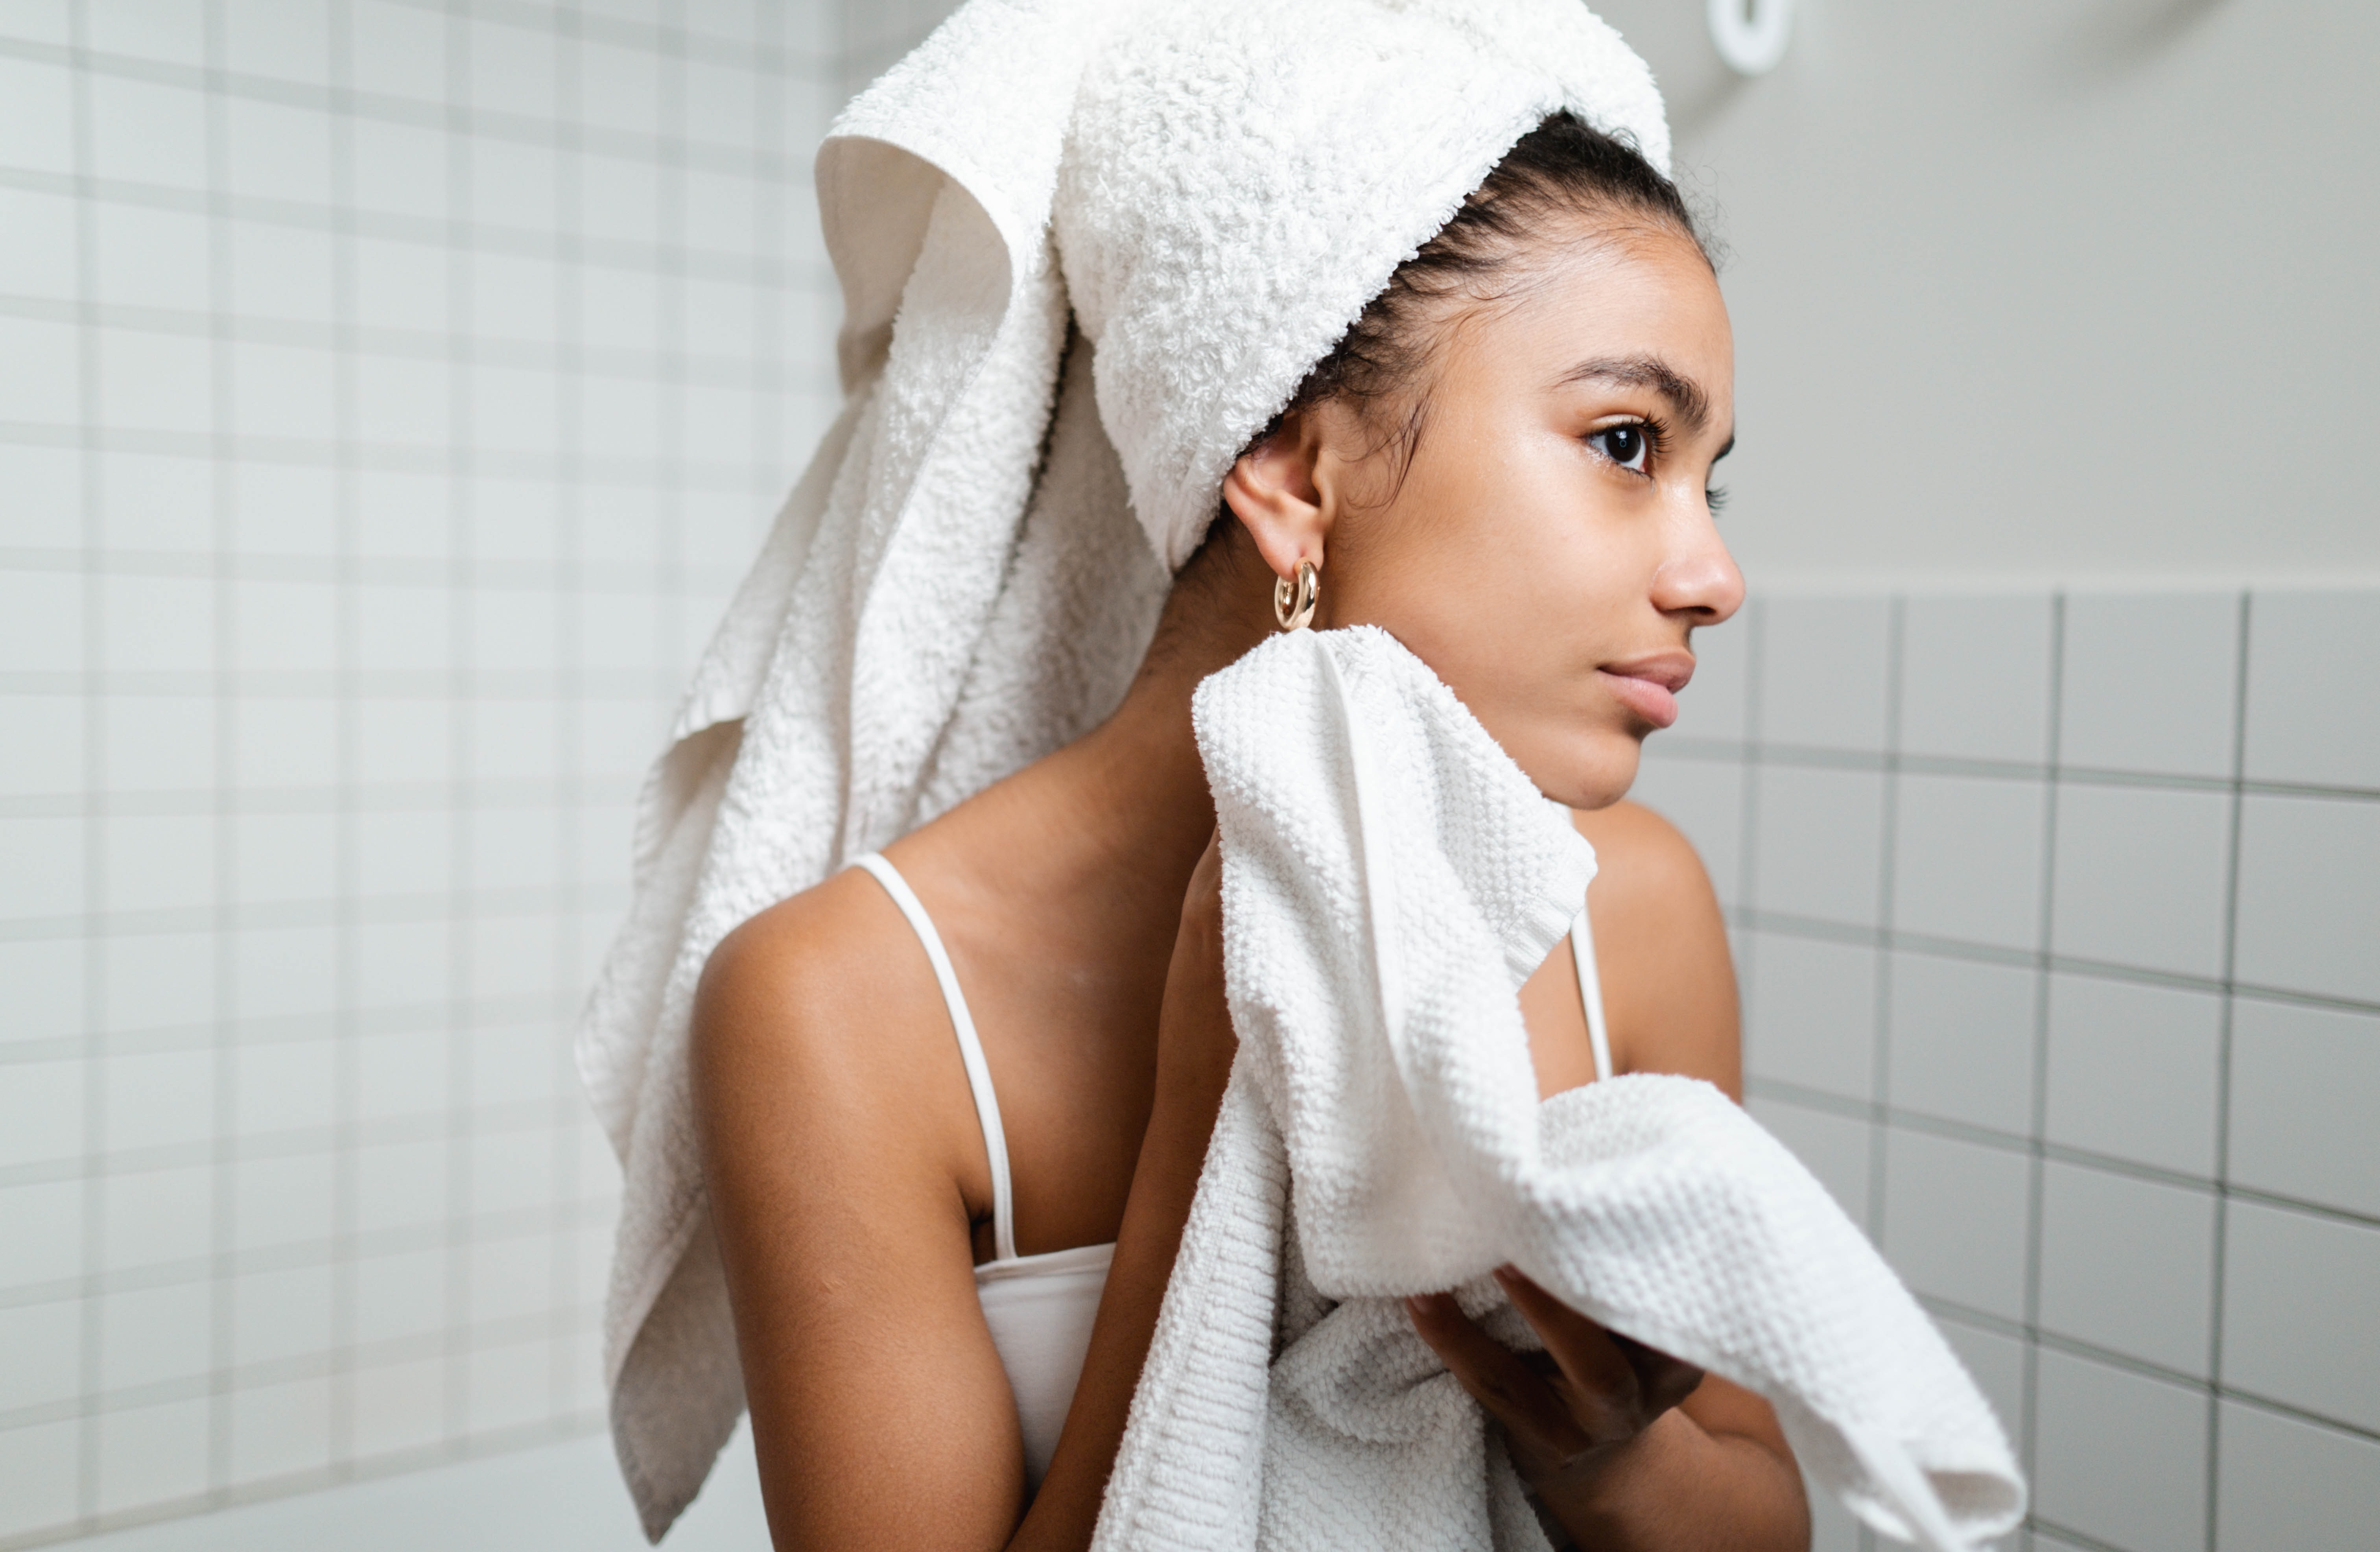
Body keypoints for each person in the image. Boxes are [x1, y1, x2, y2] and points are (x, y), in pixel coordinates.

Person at [690, 113, 1809, 1551]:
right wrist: (1205, 1122)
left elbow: (1769, 1523)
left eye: (1702, 477)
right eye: (1620, 441)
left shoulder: (1636, 908)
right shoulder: (843, 1006)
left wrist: (1605, 1457)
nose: (1713, 575)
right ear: (1295, 479)